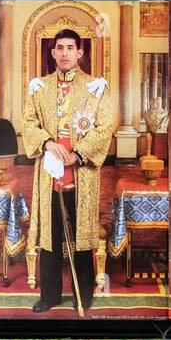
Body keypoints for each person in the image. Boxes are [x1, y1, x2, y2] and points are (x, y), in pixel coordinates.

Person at [21, 29, 116, 314]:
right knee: (50, 237)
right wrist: (48, 144)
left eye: (70, 48)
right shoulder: (39, 87)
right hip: (49, 172)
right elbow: (28, 123)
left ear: (80, 52)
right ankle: (49, 296)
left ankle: (81, 294)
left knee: (82, 236)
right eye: (59, 48)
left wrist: (78, 154)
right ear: (52, 53)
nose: (64, 53)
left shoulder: (95, 88)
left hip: (81, 172)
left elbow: (104, 126)